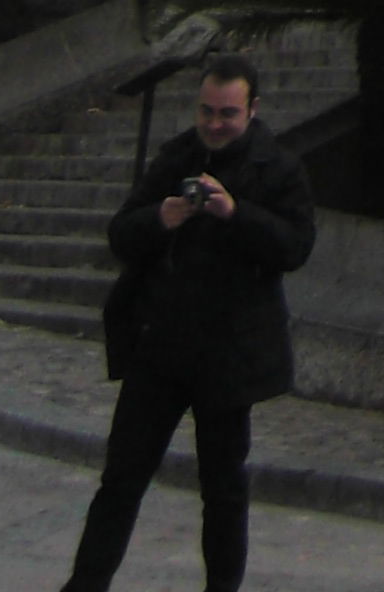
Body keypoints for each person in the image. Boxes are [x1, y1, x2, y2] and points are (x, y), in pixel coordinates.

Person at [61, 52, 316, 592]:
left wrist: (234, 213)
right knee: (121, 480)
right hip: (161, 349)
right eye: (206, 111)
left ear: (252, 110)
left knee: (223, 490)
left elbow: (295, 247)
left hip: (229, 359)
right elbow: (120, 234)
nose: (215, 124)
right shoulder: (176, 155)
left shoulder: (279, 169)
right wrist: (160, 218)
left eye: (227, 113)